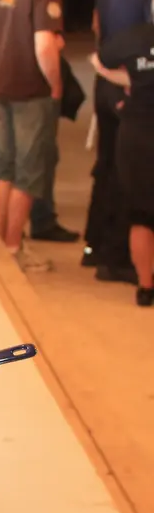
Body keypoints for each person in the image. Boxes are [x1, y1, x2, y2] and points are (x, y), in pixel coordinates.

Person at [0, 0, 78, 244]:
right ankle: (11, 246)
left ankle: (1, 243)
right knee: (29, 170)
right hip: (30, 89)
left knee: (5, 165)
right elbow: (43, 44)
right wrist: (55, 83)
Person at [84, 0, 154, 283]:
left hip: (104, 75)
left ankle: (96, 245)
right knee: (137, 175)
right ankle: (121, 257)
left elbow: (97, 22)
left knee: (108, 164)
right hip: (135, 85)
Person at [91, 24, 154, 306]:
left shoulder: (134, 37)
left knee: (141, 215)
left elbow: (98, 60)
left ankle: (145, 286)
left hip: (137, 135)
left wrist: (126, 79)